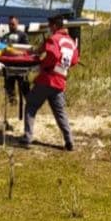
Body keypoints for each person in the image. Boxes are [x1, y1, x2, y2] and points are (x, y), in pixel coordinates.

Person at [20, 13, 79, 151]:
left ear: (54, 26)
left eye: (50, 26)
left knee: (31, 105)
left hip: (48, 79)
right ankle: (69, 140)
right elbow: (75, 60)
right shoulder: (70, 41)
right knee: (60, 112)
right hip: (60, 80)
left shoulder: (53, 39)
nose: (49, 28)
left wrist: (43, 64)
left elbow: (52, 55)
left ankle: (28, 137)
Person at [1, 15, 30, 103]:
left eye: (13, 24)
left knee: (24, 88)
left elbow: (27, 49)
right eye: (9, 24)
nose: (11, 26)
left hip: (21, 67)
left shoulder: (23, 35)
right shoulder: (5, 37)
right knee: (9, 88)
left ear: (17, 23)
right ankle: (12, 104)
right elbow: (1, 49)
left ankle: (29, 105)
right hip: (9, 67)